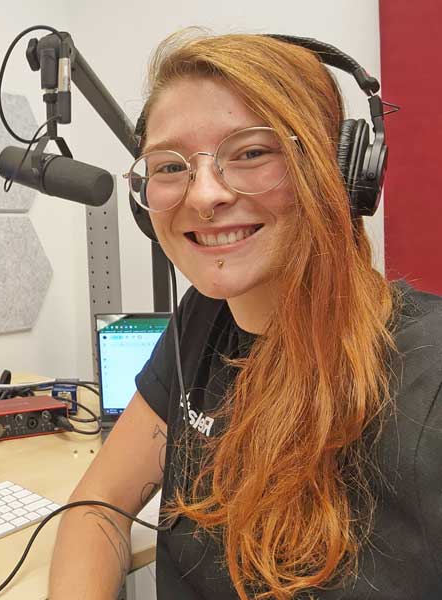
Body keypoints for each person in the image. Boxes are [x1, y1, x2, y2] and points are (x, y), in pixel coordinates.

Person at [49, 30, 442, 600]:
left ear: (339, 171)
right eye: (169, 165)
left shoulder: (428, 376)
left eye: (252, 152)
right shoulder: (200, 321)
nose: (204, 195)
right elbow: (99, 504)